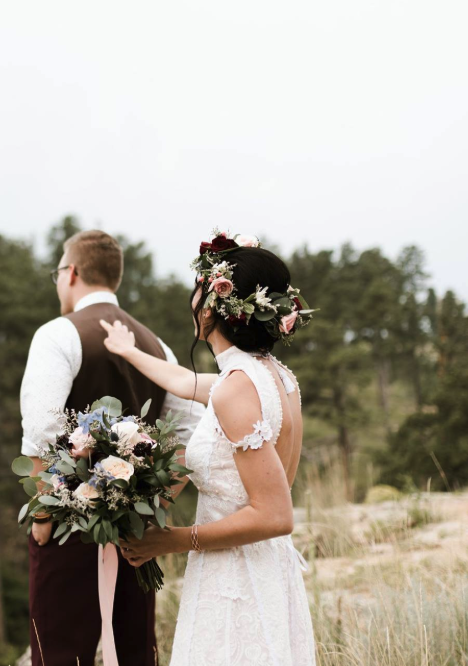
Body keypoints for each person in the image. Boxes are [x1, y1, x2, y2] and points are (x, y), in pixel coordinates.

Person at [100, 230, 317, 665]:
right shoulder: (272, 376)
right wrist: (127, 350)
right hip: (265, 571)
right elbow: (183, 381)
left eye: (201, 286)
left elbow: (275, 515)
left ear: (215, 305)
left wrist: (171, 540)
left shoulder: (236, 388)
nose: (194, 296)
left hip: (235, 581)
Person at [20, 229, 204, 666]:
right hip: (140, 534)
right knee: (135, 649)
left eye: (57, 272)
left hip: (68, 530)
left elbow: (42, 434)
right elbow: (189, 438)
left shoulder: (56, 335)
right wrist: (151, 504)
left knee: (61, 651)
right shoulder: (160, 347)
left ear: (72, 272)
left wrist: (43, 517)